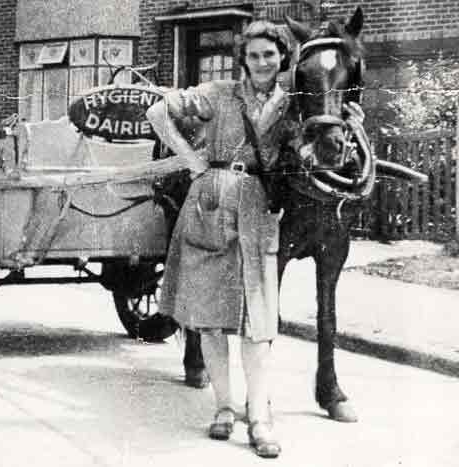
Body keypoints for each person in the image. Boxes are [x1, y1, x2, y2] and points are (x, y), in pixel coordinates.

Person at [146, 21, 364, 458]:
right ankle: (224, 408)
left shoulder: (292, 106)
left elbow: (311, 152)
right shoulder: (219, 92)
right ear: (243, 59)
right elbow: (158, 112)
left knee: (258, 321)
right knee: (209, 316)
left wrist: (350, 127)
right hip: (210, 201)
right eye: (254, 55)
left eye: (270, 55)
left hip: (257, 210)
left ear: (283, 59)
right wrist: (191, 160)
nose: (262, 62)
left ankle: (259, 416)